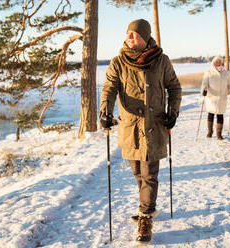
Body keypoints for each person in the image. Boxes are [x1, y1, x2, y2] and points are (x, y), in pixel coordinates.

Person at [99, 19, 182, 243]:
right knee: (137, 171)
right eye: (128, 34)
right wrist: (104, 112)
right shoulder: (118, 62)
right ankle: (146, 204)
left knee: (149, 174)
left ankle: (146, 215)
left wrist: (172, 112)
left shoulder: (161, 61)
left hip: (154, 126)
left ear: (145, 37)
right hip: (130, 128)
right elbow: (109, 88)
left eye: (135, 35)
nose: (130, 38)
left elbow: (174, 87)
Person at [201, 56, 230, 140]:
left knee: (220, 115)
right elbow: (204, 83)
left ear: (222, 63)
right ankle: (210, 131)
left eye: (219, 62)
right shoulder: (208, 72)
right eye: (216, 62)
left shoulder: (226, 73)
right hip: (211, 97)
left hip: (222, 98)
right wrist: (204, 90)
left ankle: (219, 134)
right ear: (213, 63)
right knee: (210, 114)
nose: (218, 63)